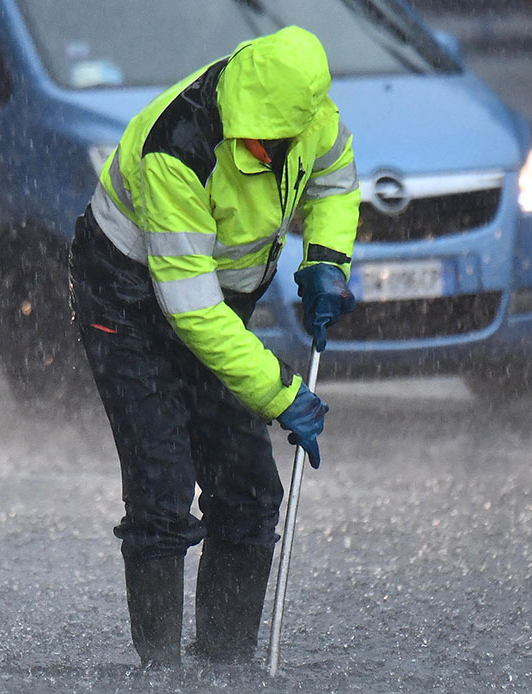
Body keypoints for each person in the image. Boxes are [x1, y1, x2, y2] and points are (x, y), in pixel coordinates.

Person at [68, 25, 359, 669]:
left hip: (215, 300)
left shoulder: (313, 118)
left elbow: (335, 184)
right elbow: (193, 313)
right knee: (162, 489)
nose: (252, 144)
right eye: (248, 132)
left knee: (249, 491)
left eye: (266, 138)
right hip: (128, 299)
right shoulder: (178, 148)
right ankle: (162, 675)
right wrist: (283, 394)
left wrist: (327, 259)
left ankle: (226, 668)